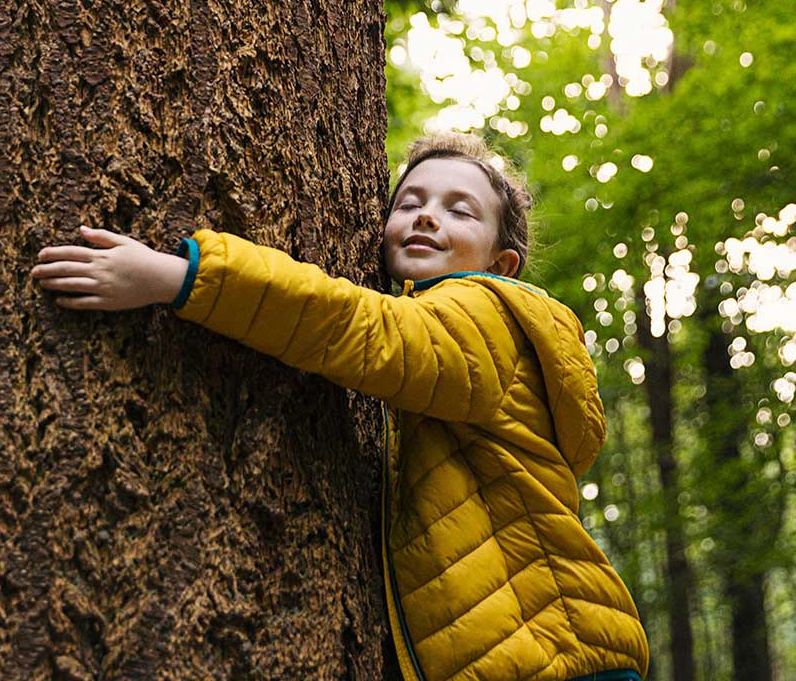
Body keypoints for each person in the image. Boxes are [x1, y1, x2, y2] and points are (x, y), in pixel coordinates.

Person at [32, 133, 650, 681]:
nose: (427, 218)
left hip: (555, 655)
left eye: (458, 211)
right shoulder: (458, 349)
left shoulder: (491, 314)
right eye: (408, 204)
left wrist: (179, 277)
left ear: (500, 262)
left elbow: (362, 329)